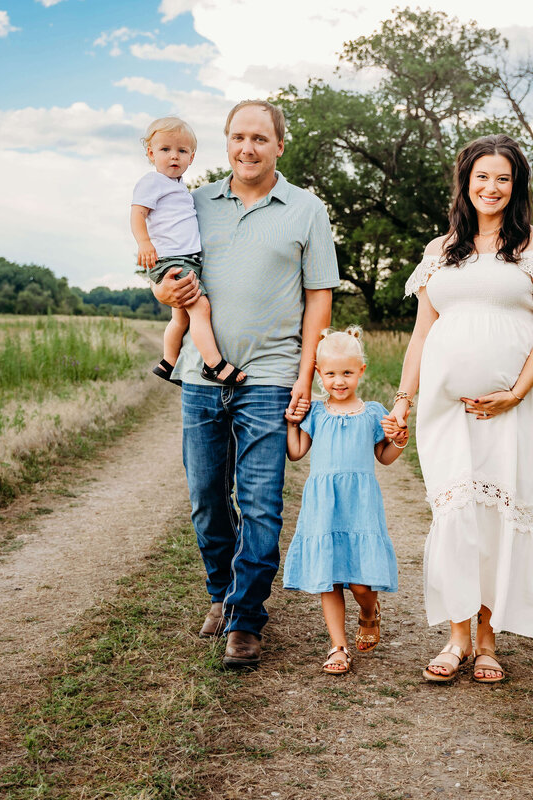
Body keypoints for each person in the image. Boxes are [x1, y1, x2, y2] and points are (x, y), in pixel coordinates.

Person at [153, 100, 339, 670]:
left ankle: (245, 619)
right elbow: (164, 268)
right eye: (238, 137)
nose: (247, 148)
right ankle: (220, 592)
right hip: (200, 377)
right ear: (226, 142)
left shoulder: (307, 210)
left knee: (260, 505)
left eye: (260, 138)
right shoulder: (194, 200)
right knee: (207, 500)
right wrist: (163, 291)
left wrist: (305, 379)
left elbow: (319, 301)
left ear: (280, 145)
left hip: (272, 378)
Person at [387, 134, 533, 683]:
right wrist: (403, 398)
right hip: (446, 409)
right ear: (465, 183)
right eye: (482, 177)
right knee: (455, 513)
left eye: (503, 178)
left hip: (514, 406)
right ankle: (457, 637)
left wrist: (514, 391)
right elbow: (423, 335)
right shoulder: (438, 251)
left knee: (496, 515)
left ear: (516, 187)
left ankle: (489, 642)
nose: (491, 188)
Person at [282, 327, 408, 675]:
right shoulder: (317, 413)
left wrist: (399, 440)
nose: (339, 381)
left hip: (359, 504)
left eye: (347, 373)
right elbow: (295, 453)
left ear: (361, 372)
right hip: (323, 505)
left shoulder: (372, 413)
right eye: (332, 373)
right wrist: (292, 424)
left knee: (359, 584)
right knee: (330, 577)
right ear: (319, 374)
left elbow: (384, 456)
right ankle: (338, 646)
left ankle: (369, 611)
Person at [131, 117, 246, 386]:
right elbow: (137, 213)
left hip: (186, 259)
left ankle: (168, 363)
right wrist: (144, 242)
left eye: (182, 151)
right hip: (172, 259)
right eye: (165, 150)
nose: (174, 156)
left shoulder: (179, 187)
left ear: (191, 157)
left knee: (180, 315)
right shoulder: (152, 181)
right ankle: (214, 365)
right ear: (151, 153)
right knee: (200, 307)